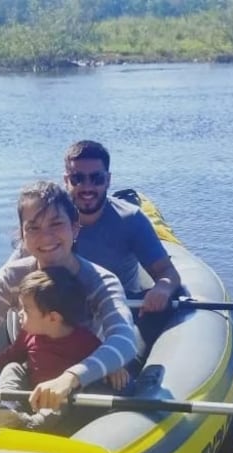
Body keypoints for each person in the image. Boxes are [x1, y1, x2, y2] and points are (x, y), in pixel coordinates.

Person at [0, 181, 138, 418]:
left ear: (75, 228)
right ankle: (3, 435)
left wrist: (69, 378)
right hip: (30, 366)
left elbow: (124, 340)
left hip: (82, 377)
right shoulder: (12, 277)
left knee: (122, 387)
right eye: (33, 228)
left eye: (56, 224)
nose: (46, 236)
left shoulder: (101, 281)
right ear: (22, 234)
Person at [0, 266, 127, 430]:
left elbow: (101, 361)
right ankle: (8, 409)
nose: (19, 313)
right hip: (32, 394)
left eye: (25, 310)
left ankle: (31, 425)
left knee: (65, 398)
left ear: (53, 318)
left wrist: (115, 368)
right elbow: (8, 357)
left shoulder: (84, 341)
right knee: (12, 368)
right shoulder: (28, 335)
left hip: (59, 400)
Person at [63, 139, 183, 347]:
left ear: (108, 180)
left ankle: (132, 365)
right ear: (66, 180)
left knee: (171, 303)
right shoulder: (51, 221)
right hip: (65, 313)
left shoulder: (131, 220)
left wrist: (162, 289)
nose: (87, 187)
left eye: (96, 178)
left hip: (121, 310)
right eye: (78, 178)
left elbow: (168, 273)